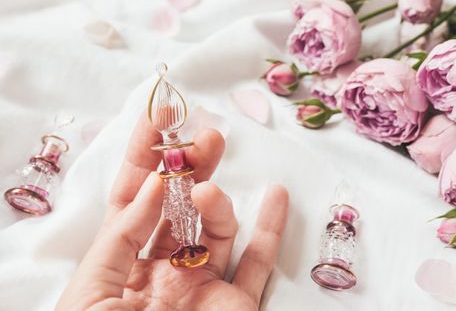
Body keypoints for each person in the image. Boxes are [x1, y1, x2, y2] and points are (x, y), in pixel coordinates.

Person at [56, 115, 289, 310]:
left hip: (183, 195)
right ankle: (185, 242)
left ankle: (188, 242)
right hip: (175, 196)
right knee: (179, 214)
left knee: (190, 210)